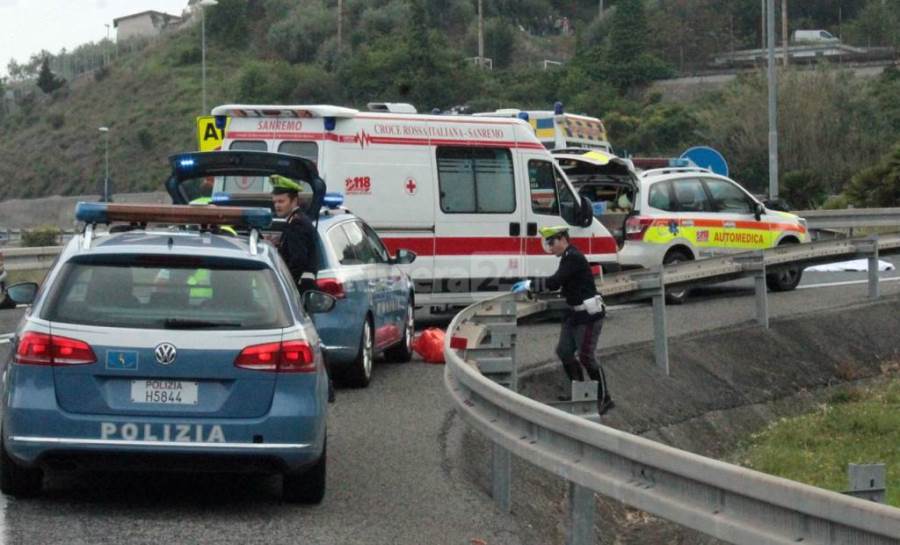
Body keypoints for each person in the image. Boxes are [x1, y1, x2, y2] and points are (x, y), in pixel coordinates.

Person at [515, 226, 613, 414]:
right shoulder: (567, 257)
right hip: (574, 314)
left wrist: (529, 284)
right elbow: (559, 282)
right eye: (548, 243)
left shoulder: (573, 257)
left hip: (588, 316)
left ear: (563, 239)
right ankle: (580, 391)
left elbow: (555, 282)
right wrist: (532, 285)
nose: (550, 247)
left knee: (587, 356)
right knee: (564, 351)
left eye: (552, 242)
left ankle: (604, 397)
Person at [271, 174, 318, 294]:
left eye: (281, 201)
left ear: (294, 201)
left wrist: (285, 284)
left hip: (298, 288)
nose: (277, 205)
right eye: (275, 201)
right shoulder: (298, 220)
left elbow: (298, 260)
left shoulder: (297, 224)